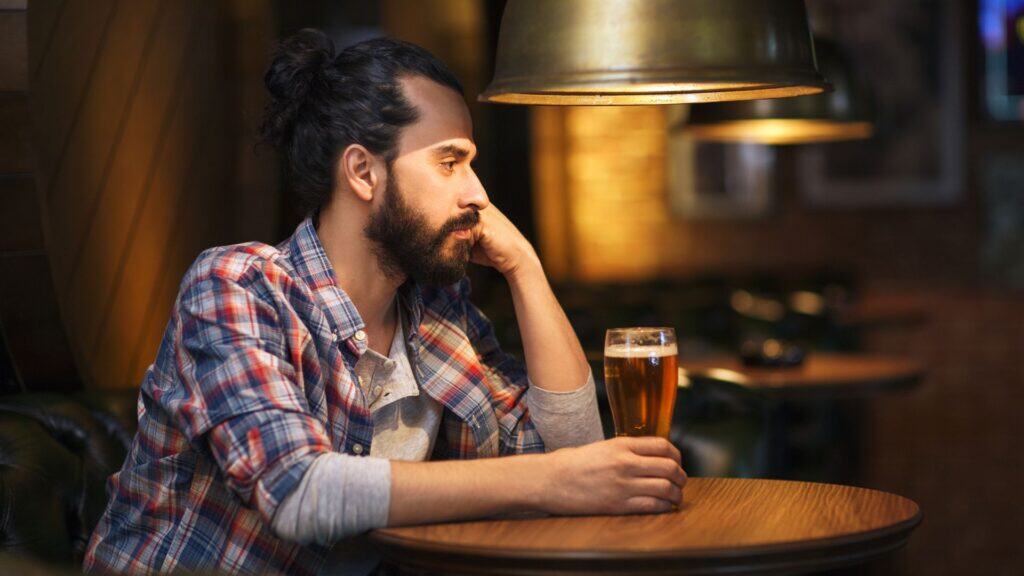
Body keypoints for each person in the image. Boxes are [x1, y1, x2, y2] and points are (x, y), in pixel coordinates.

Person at [84, 29, 687, 575]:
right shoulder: (239, 287)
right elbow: (299, 492)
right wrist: (555, 482)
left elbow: (571, 457)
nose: (478, 193)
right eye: (449, 162)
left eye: (471, 164)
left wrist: (523, 265)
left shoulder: (437, 311)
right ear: (363, 173)